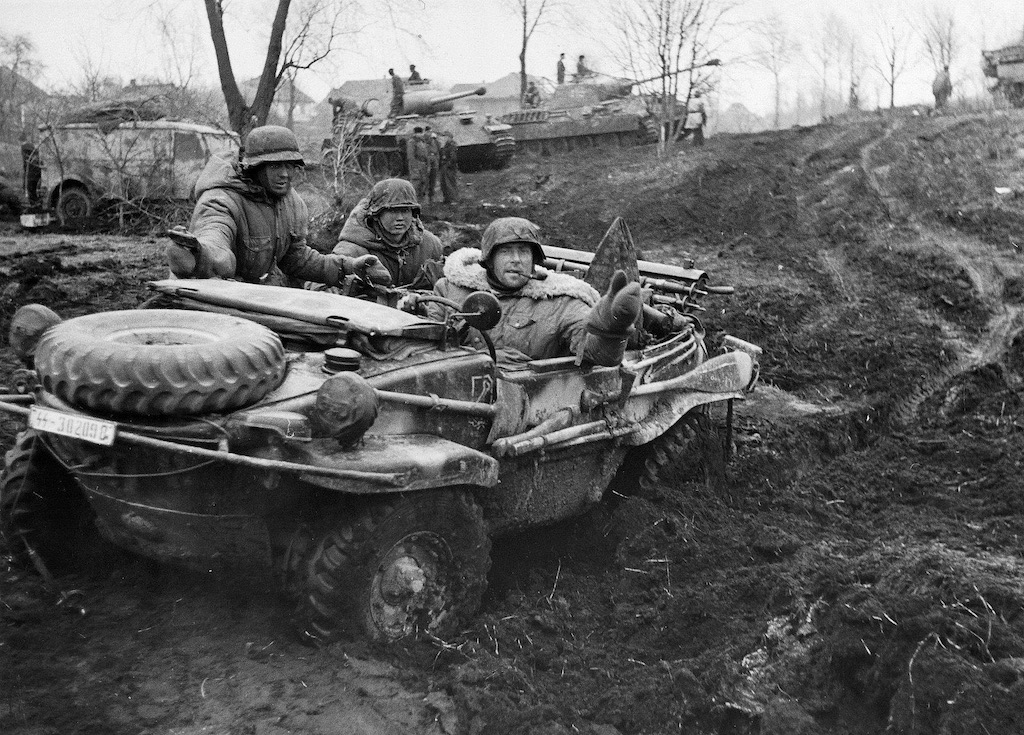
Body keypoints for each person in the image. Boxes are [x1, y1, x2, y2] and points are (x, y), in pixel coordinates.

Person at [166, 125, 389, 288]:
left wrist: (349, 267)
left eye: (289, 166)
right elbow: (215, 236)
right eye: (275, 166)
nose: (284, 174)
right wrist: (199, 254)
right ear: (254, 168)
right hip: (215, 293)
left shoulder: (291, 203)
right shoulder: (221, 200)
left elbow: (296, 259)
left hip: (257, 293)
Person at [426, 217, 642, 366]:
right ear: (489, 260)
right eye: (506, 252)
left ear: (534, 260)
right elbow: (425, 346)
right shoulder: (450, 290)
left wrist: (611, 329)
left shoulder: (562, 302)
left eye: (523, 252)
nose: (516, 260)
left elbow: (597, 354)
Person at [331, 178, 443, 295]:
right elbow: (328, 295)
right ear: (376, 215)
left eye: (405, 210)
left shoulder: (430, 246)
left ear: (413, 213)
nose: (400, 218)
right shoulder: (350, 251)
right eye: (393, 211)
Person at [405, 126, 430, 199]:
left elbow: (426, 154)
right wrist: (415, 166)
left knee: (423, 181)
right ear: (415, 134)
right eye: (419, 133)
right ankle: (413, 198)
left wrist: (428, 165)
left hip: (423, 164)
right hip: (416, 164)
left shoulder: (422, 141)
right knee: (416, 181)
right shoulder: (412, 142)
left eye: (421, 133)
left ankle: (421, 198)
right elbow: (410, 156)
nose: (421, 135)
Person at [438, 131, 459, 204]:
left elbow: (453, 157)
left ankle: (453, 199)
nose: (444, 138)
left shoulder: (452, 145)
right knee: (443, 183)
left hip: (449, 167)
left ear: (449, 137)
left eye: (445, 136)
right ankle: (447, 199)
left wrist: (448, 164)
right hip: (444, 166)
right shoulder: (446, 145)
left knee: (450, 183)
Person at [424, 125, 441, 202]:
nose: (429, 134)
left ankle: (431, 195)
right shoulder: (424, 140)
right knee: (426, 178)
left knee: (433, 178)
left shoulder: (435, 140)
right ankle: (425, 195)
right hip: (427, 160)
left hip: (434, 159)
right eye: (428, 132)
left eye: (430, 132)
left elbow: (438, 148)